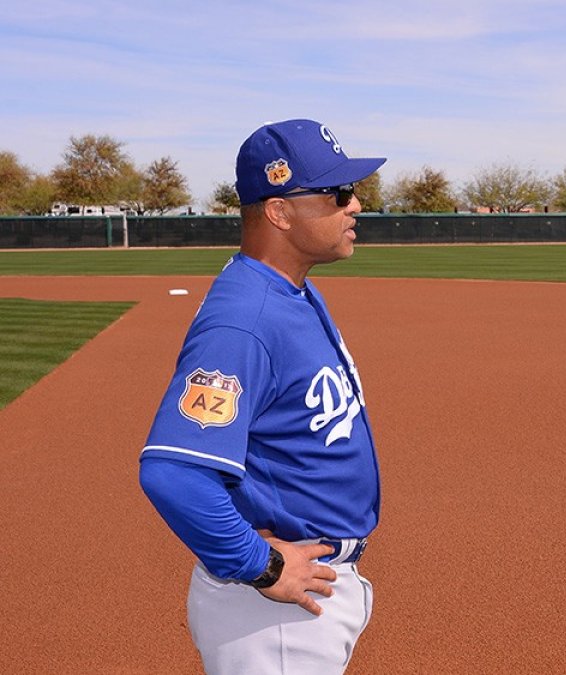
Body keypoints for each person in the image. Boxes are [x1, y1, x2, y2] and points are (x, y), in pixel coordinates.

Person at [140, 118, 386, 674]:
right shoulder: (244, 322)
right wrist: (264, 566)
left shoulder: (288, 290)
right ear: (279, 211)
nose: (356, 204)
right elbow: (174, 473)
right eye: (338, 193)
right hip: (272, 612)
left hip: (298, 596)